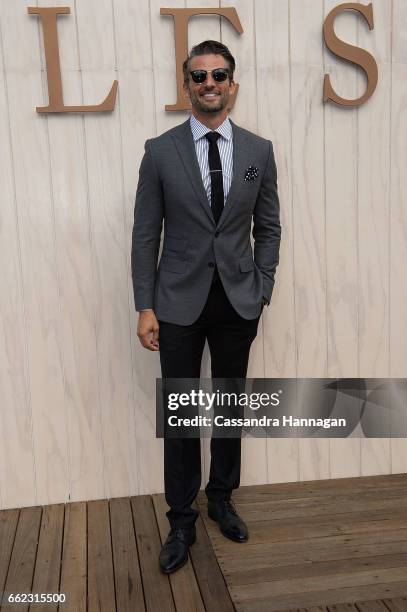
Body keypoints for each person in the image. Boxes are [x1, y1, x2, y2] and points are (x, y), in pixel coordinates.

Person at [131, 40, 281, 574]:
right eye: (199, 76)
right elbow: (146, 235)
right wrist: (144, 305)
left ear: (232, 84)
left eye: (219, 74)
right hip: (176, 303)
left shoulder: (257, 154)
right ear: (187, 85)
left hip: (238, 301)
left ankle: (221, 499)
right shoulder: (160, 151)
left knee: (230, 406)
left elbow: (268, 226)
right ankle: (180, 519)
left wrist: (262, 286)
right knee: (181, 413)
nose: (209, 83)